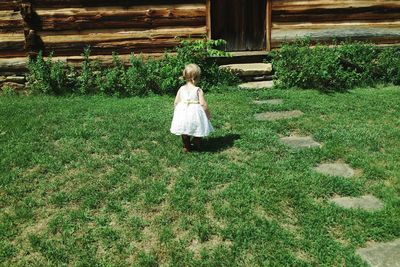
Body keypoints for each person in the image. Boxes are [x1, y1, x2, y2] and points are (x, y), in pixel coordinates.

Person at [170, 64, 214, 152]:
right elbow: (203, 104)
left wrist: (177, 112)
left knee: (184, 129)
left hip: (183, 113)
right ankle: (196, 141)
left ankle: (187, 146)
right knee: (199, 126)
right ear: (196, 78)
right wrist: (208, 114)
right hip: (195, 113)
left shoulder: (181, 88)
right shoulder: (198, 90)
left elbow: (176, 102)